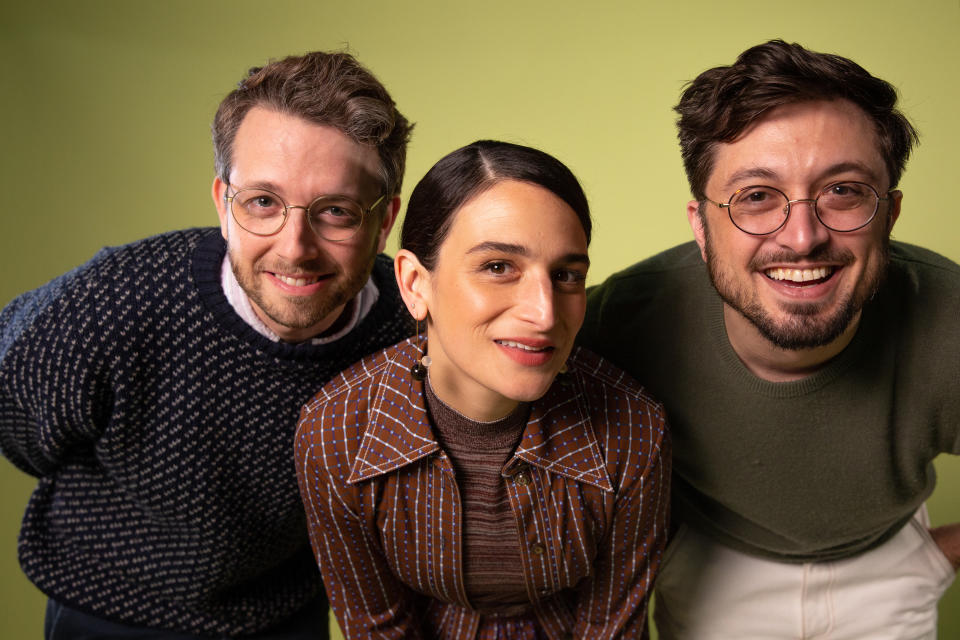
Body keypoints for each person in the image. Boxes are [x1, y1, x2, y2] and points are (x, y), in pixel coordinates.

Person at [0, 51, 413, 639]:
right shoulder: (119, 299)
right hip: (106, 609)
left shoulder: (411, 328)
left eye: (336, 211)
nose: (294, 247)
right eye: (263, 202)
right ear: (223, 203)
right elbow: (15, 413)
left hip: (285, 614)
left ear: (383, 220)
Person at [579, 39, 960, 639]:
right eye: (756, 197)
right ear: (701, 227)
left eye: (843, 191)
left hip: (888, 568)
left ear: (889, 214)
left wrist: (932, 561)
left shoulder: (950, 317)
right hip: (711, 566)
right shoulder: (621, 319)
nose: (803, 237)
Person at [295, 140, 670, 639]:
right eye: (498, 267)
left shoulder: (635, 431)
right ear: (414, 283)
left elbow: (612, 628)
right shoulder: (336, 433)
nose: (544, 313)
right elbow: (377, 626)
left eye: (566, 275)